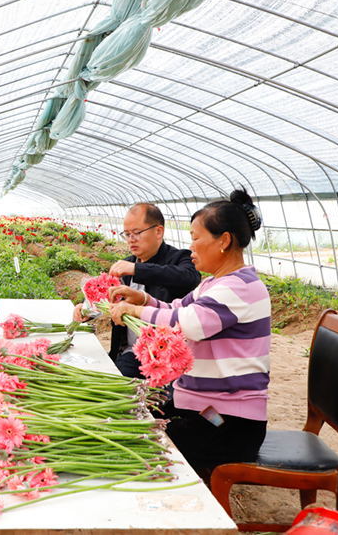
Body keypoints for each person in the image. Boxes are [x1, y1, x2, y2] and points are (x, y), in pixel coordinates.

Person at [107, 188, 270, 479]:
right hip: (206, 409)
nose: (191, 248)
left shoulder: (239, 287)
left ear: (224, 240)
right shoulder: (214, 284)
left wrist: (135, 312)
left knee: (145, 439)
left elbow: (188, 323)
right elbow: (176, 307)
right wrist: (142, 299)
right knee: (137, 417)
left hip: (229, 423)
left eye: (196, 239)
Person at [73, 203, 201, 378]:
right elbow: (106, 295)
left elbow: (189, 278)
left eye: (136, 233)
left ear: (158, 231)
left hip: (168, 355)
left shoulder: (179, 259)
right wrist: (87, 308)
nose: (131, 239)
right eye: (127, 234)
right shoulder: (125, 267)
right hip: (133, 353)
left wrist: (137, 269)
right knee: (116, 384)